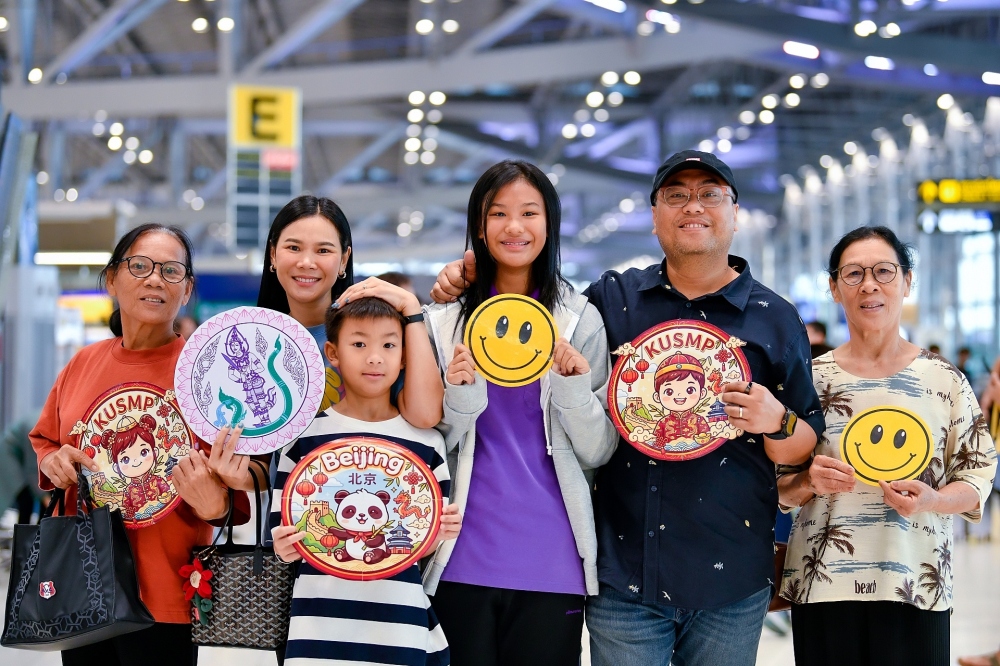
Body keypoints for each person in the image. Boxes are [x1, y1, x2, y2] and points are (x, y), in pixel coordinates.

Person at [430, 151, 825, 666]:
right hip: (626, 573)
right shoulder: (612, 301)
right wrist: (464, 274)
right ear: (655, 215)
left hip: (730, 572)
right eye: (676, 195)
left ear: (734, 211)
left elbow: (805, 442)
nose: (693, 206)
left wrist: (778, 420)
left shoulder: (775, 316)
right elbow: (529, 304)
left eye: (710, 195)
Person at [419, 159, 617, 666]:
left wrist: (572, 391)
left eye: (529, 212)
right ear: (479, 227)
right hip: (459, 555)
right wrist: (460, 396)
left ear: (549, 224)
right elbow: (428, 439)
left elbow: (599, 450)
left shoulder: (580, 320)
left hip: (553, 559)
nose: (514, 226)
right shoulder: (442, 321)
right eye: (498, 213)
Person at [777, 226, 998, 666]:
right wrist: (808, 482)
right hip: (823, 585)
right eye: (853, 273)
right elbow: (778, 487)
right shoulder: (808, 380)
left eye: (884, 271)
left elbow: (977, 478)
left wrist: (933, 499)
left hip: (916, 583)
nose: (869, 285)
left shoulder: (945, 379)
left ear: (907, 281)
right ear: (834, 288)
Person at [30, 224, 249, 666]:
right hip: (83, 586)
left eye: (171, 271)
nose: (154, 279)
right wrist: (53, 461)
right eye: (140, 266)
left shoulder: (209, 377)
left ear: (187, 291)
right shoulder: (83, 363)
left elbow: (233, 492)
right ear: (112, 279)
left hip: (169, 593)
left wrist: (217, 503)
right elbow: (46, 440)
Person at [270, 296, 462, 665]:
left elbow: (421, 547)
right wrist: (284, 546)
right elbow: (282, 533)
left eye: (389, 345)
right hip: (318, 628)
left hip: (399, 625)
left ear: (404, 356)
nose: (375, 358)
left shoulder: (427, 444)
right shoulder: (304, 437)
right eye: (359, 344)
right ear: (333, 352)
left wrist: (438, 533)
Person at [209, 195, 444, 492]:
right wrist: (239, 477)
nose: (306, 262)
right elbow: (266, 464)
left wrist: (411, 309)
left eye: (323, 250)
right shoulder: (253, 347)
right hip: (297, 512)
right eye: (293, 247)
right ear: (273, 254)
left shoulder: (371, 337)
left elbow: (425, 415)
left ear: (344, 259)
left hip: (379, 498)